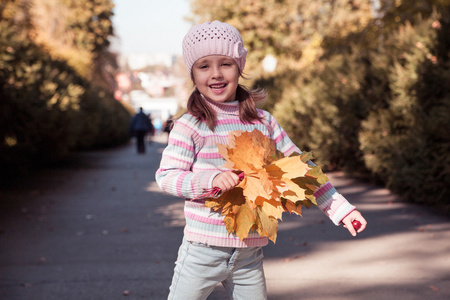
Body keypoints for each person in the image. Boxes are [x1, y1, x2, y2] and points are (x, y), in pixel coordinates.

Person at [155, 20, 367, 300]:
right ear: (192, 74)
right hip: (202, 250)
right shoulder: (190, 125)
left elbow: (302, 171)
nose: (216, 74)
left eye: (226, 63)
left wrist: (340, 209)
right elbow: (167, 176)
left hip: (248, 254)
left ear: (240, 67)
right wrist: (211, 180)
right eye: (204, 66)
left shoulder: (263, 122)